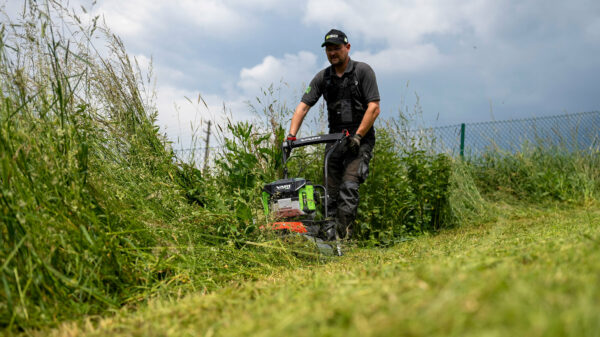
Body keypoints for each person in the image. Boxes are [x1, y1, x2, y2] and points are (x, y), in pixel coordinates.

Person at [287, 29, 380, 239]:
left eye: (337, 48)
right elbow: (303, 106)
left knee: (348, 188)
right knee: (329, 194)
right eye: (329, 50)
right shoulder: (323, 77)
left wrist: (358, 136)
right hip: (334, 140)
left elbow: (373, 108)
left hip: (360, 139)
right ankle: (329, 240)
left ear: (347, 48)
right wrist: (291, 137)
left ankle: (344, 241)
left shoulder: (362, 71)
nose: (332, 53)